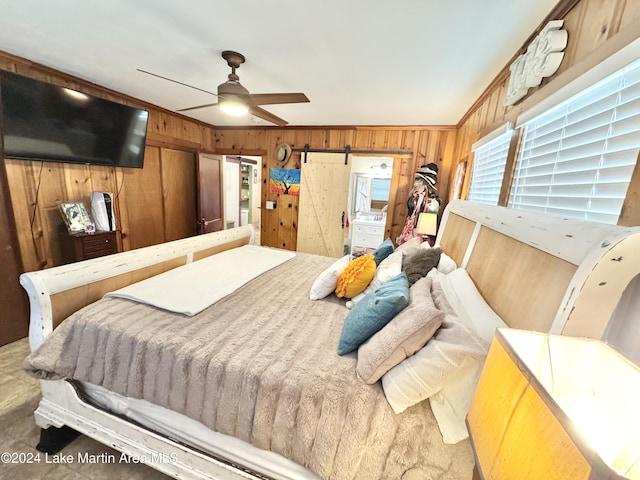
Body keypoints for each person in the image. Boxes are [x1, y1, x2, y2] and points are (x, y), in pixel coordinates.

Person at [398, 163, 441, 244]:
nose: (415, 184)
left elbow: (428, 226)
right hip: (411, 232)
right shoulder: (416, 197)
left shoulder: (432, 203)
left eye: (418, 180)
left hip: (420, 236)